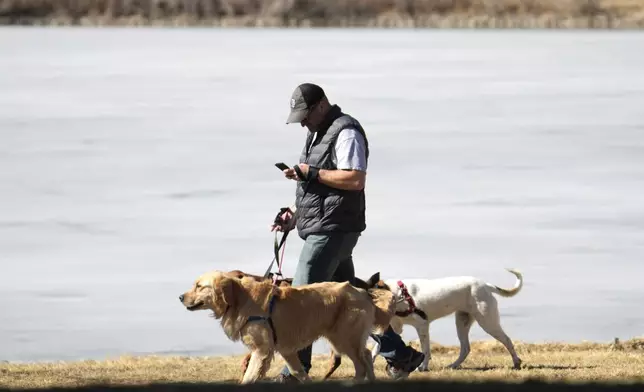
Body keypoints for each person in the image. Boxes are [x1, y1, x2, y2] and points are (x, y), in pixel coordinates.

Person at [270, 82, 424, 382]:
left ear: (321, 105)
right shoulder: (316, 133)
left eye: (305, 115)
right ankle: (401, 356)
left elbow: (355, 179)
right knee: (356, 299)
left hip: (334, 229)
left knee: (301, 297)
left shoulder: (346, 132)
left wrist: (310, 172)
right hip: (326, 226)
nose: (301, 121)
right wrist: (294, 216)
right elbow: (315, 187)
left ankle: (294, 374)